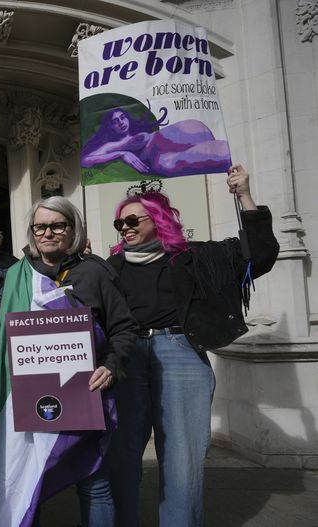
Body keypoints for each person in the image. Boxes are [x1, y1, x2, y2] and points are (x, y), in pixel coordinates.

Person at [107, 164, 279, 527]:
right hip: (126, 358)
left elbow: (260, 255)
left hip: (179, 353)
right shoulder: (109, 268)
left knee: (182, 460)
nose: (126, 228)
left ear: (158, 218)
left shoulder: (195, 257)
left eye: (134, 220)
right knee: (119, 457)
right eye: (120, 224)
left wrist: (244, 195)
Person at [0, 196, 137, 527]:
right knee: (25, 484)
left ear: (73, 229)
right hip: (27, 401)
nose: (48, 233)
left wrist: (111, 366)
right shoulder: (15, 276)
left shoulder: (95, 272)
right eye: (40, 226)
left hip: (85, 396)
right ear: (31, 231)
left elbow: (123, 328)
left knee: (94, 483)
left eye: (57, 225)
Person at [81, 107, 230, 177]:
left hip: (170, 138)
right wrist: (122, 152)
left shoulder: (140, 131)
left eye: (122, 117)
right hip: (162, 157)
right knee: (217, 154)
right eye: (114, 121)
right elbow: (86, 160)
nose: (120, 122)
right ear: (110, 127)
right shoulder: (111, 145)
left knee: (206, 141)